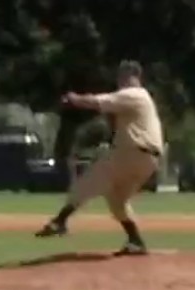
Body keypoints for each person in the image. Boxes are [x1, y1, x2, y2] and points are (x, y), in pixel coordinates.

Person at [36, 59, 164, 256]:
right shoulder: (142, 98)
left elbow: (99, 102)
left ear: (131, 76)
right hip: (148, 160)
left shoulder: (134, 94)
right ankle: (136, 241)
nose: (119, 80)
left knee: (91, 179)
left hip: (132, 153)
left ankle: (59, 221)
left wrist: (74, 98)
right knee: (116, 199)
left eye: (121, 76)